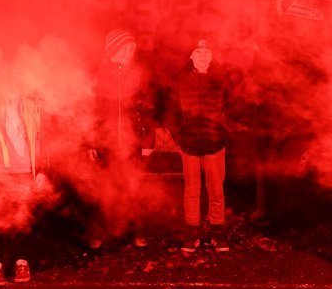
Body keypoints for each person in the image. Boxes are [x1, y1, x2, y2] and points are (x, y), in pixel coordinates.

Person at [89, 29, 155, 249]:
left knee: (133, 187)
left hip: (132, 142)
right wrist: (91, 141)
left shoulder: (138, 74)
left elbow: (148, 109)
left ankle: (137, 230)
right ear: (113, 49)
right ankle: (103, 231)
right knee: (105, 188)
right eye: (126, 48)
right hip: (105, 142)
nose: (130, 52)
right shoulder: (97, 75)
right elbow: (91, 111)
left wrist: (148, 141)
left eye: (132, 48)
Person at [165, 38, 231, 253]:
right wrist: (180, 138)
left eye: (207, 52)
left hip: (214, 143)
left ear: (212, 56)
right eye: (198, 52)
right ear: (191, 56)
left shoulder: (221, 81)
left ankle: (218, 234)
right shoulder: (181, 81)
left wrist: (223, 133)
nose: (202, 56)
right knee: (192, 190)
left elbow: (232, 111)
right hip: (190, 144)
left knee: (216, 190)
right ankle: (192, 233)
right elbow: (171, 112)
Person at [0, 94, 46, 286]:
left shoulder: (32, 103)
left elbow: (42, 138)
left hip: (26, 169)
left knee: (23, 217)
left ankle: (21, 260)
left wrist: (42, 169)